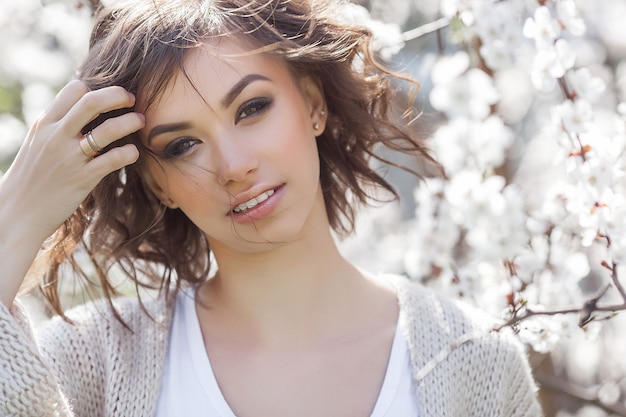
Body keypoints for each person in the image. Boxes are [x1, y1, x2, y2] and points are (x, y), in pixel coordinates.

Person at [0, 0, 543, 415]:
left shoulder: (479, 364)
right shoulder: (88, 360)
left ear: (313, 103)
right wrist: (15, 217)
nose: (233, 165)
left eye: (252, 108)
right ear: (157, 183)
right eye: (181, 145)